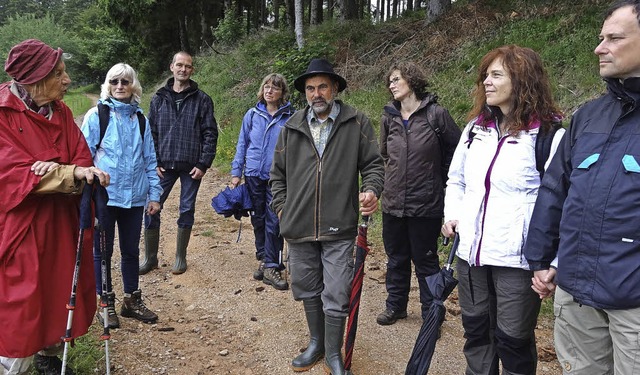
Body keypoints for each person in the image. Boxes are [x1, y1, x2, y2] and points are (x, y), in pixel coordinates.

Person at [525, 1, 640, 373]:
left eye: (614, 38)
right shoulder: (589, 116)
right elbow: (555, 189)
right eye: (600, 38)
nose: (599, 48)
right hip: (576, 293)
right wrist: (543, 259)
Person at [441, 45, 564, 375]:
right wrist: (452, 214)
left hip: (517, 261)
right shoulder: (474, 130)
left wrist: (552, 260)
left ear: (522, 81)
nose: (486, 83)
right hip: (470, 255)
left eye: (496, 75)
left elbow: (561, 203)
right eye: (485, 76)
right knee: (477, 333)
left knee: (513, 341)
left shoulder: (550, 136)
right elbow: (457, 180)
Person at [0, 39, 110, 375]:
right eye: (58, 74)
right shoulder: (3, 114)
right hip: (23, 229)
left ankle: (49, 357)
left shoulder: (60, 111)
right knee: (22, 302)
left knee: (61, 289)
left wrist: (61, 171)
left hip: (62, 223)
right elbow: (11, 171)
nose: (67, 80)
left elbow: (81, 157)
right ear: (33, 79)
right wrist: (66, 171)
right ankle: (11, 366)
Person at [270, 58, 384, 375]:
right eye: (310, 88)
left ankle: (334, 353)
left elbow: (374, 165)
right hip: (299, 225)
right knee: (307, 287)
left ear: (334, 88)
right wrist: (283, 209)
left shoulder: (356, 123)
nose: (316, 93)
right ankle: (316, 343)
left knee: (336, 291)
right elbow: (276, 177)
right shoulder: (291, 127)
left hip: (340, 225)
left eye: (322, 86)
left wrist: (372, 190)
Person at [377, 61, 460, 326]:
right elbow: (384, 155)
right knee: (396, 259)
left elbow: (457, 154)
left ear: (411, 80)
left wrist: (440, 181)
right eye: (390, 81)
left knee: (426, 262)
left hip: (426, 204)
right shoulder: (388, 117)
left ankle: (431, 314)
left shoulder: (436, 115)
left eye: (396, 79)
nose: (392, 84)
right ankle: (396, 306)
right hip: (392, 203)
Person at [81, 63, 161, 328]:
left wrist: (154, 195)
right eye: (115, 81)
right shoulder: (97, 116)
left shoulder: (141, 120)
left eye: (125, 82)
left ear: (133, 86)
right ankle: (106, 303)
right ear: (108, 84)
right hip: (105, 196)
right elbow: (84, 158)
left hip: (135, 196)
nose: (119, 86)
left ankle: (131, 300)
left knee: (130, 250)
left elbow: (150, 160)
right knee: (102, 250)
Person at [140, 51, 218, 275]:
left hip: (191, 165)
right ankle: (151, 258)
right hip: (163, 166)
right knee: (151, 207)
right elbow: (150, 133)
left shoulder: (202, 99)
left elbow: (210, 133)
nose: (183, 69)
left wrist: (203, 163)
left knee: (186, 209)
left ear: (192, 70)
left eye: (188, 66)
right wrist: (152, 162)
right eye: (180, 65)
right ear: (172, 67)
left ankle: (180, 257)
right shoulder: (158, 98)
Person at [230, 73, 293, 290]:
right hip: (254, 175)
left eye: (275, 88)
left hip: (278, 178)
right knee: (257, 218)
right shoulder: (252, 114)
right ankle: (264, 258)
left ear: (282, 92)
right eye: (266, 86)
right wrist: (236, 173)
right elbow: (242, 144)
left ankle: (272, 265)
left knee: (274, 221)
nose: (269, 91)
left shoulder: (290, 118)